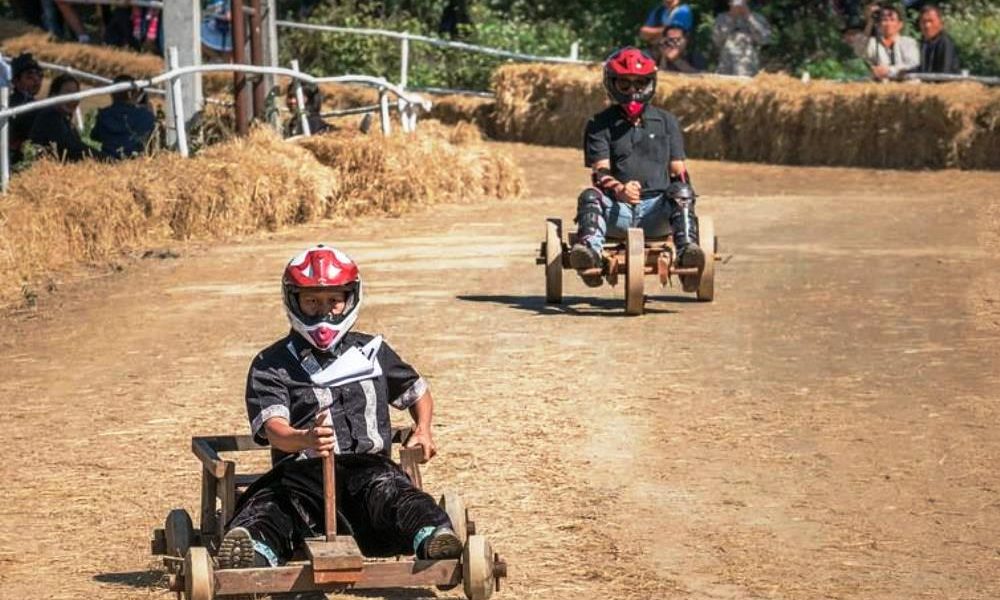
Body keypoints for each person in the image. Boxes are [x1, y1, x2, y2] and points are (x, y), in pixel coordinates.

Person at [217, 245, 463, 568]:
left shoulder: (372, 352)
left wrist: (424, 429)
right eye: (312, 301)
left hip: (370, 472)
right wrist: (305, 438)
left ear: (350, 298)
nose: (324, 312)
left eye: (334, 300)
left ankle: (433, 537)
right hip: (300, 476)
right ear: (294, 301)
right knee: (272, 508)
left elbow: (417, 392)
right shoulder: (271, 364)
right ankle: (253, 554)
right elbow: (275, 429)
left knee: (398, 498)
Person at [568, 47, 704, 291]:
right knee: (589, 196)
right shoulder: (599, 124)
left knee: (682, 190)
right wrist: (620, 189)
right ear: (611, 84)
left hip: (657, 212)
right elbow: (600, 172)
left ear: (650, 84)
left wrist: (684, 208)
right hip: (616, 212)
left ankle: (687, 252)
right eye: (625, 85)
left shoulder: (667, 121)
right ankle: (590, 253)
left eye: (639, 84)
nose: (632, 91)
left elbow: (679, 172)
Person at [28, 73, 93, 162]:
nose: (72, 100)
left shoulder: (64, 119)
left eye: (75, 95)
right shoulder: (49, 116)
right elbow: (72, 148)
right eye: (68, 94)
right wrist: (105, 159)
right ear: (54, 95)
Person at [91, 75, 156, 160]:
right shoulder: (145, 115)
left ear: (112, 93)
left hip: (108, 161)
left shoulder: (104, 115)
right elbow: (152, 139)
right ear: (134, 94)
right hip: (136, 162)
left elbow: (95, 136)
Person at [712, 0, 772, 77]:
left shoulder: (758, 18)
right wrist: (732, 17)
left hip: (748, 69)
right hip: (725, 68)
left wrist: (748, 15)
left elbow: (764, 40)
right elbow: (717, 41)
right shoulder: (722, 18)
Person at [864, 5, 920, 81]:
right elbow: (859, 54)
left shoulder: (909, 42)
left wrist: (889, 70)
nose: (888, 24)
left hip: (908, 87)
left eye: (892, 20)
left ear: (900, 24)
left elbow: (913, 64)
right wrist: (871, 21)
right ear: (879, 24)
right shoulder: (872, 43)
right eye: (884, 20)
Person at [8, 53, 45, 165]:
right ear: (15, 81)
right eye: (29, 77)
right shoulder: (17, 104)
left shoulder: (17, 101)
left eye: (40, 76)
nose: (36, 80)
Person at [917, 5, 960, 75]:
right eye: (924, 22)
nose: (927, 25)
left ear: (940, 22)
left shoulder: (945, 42)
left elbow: (945, 73)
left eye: (931, 21)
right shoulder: (925, 43)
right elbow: (923, 69)